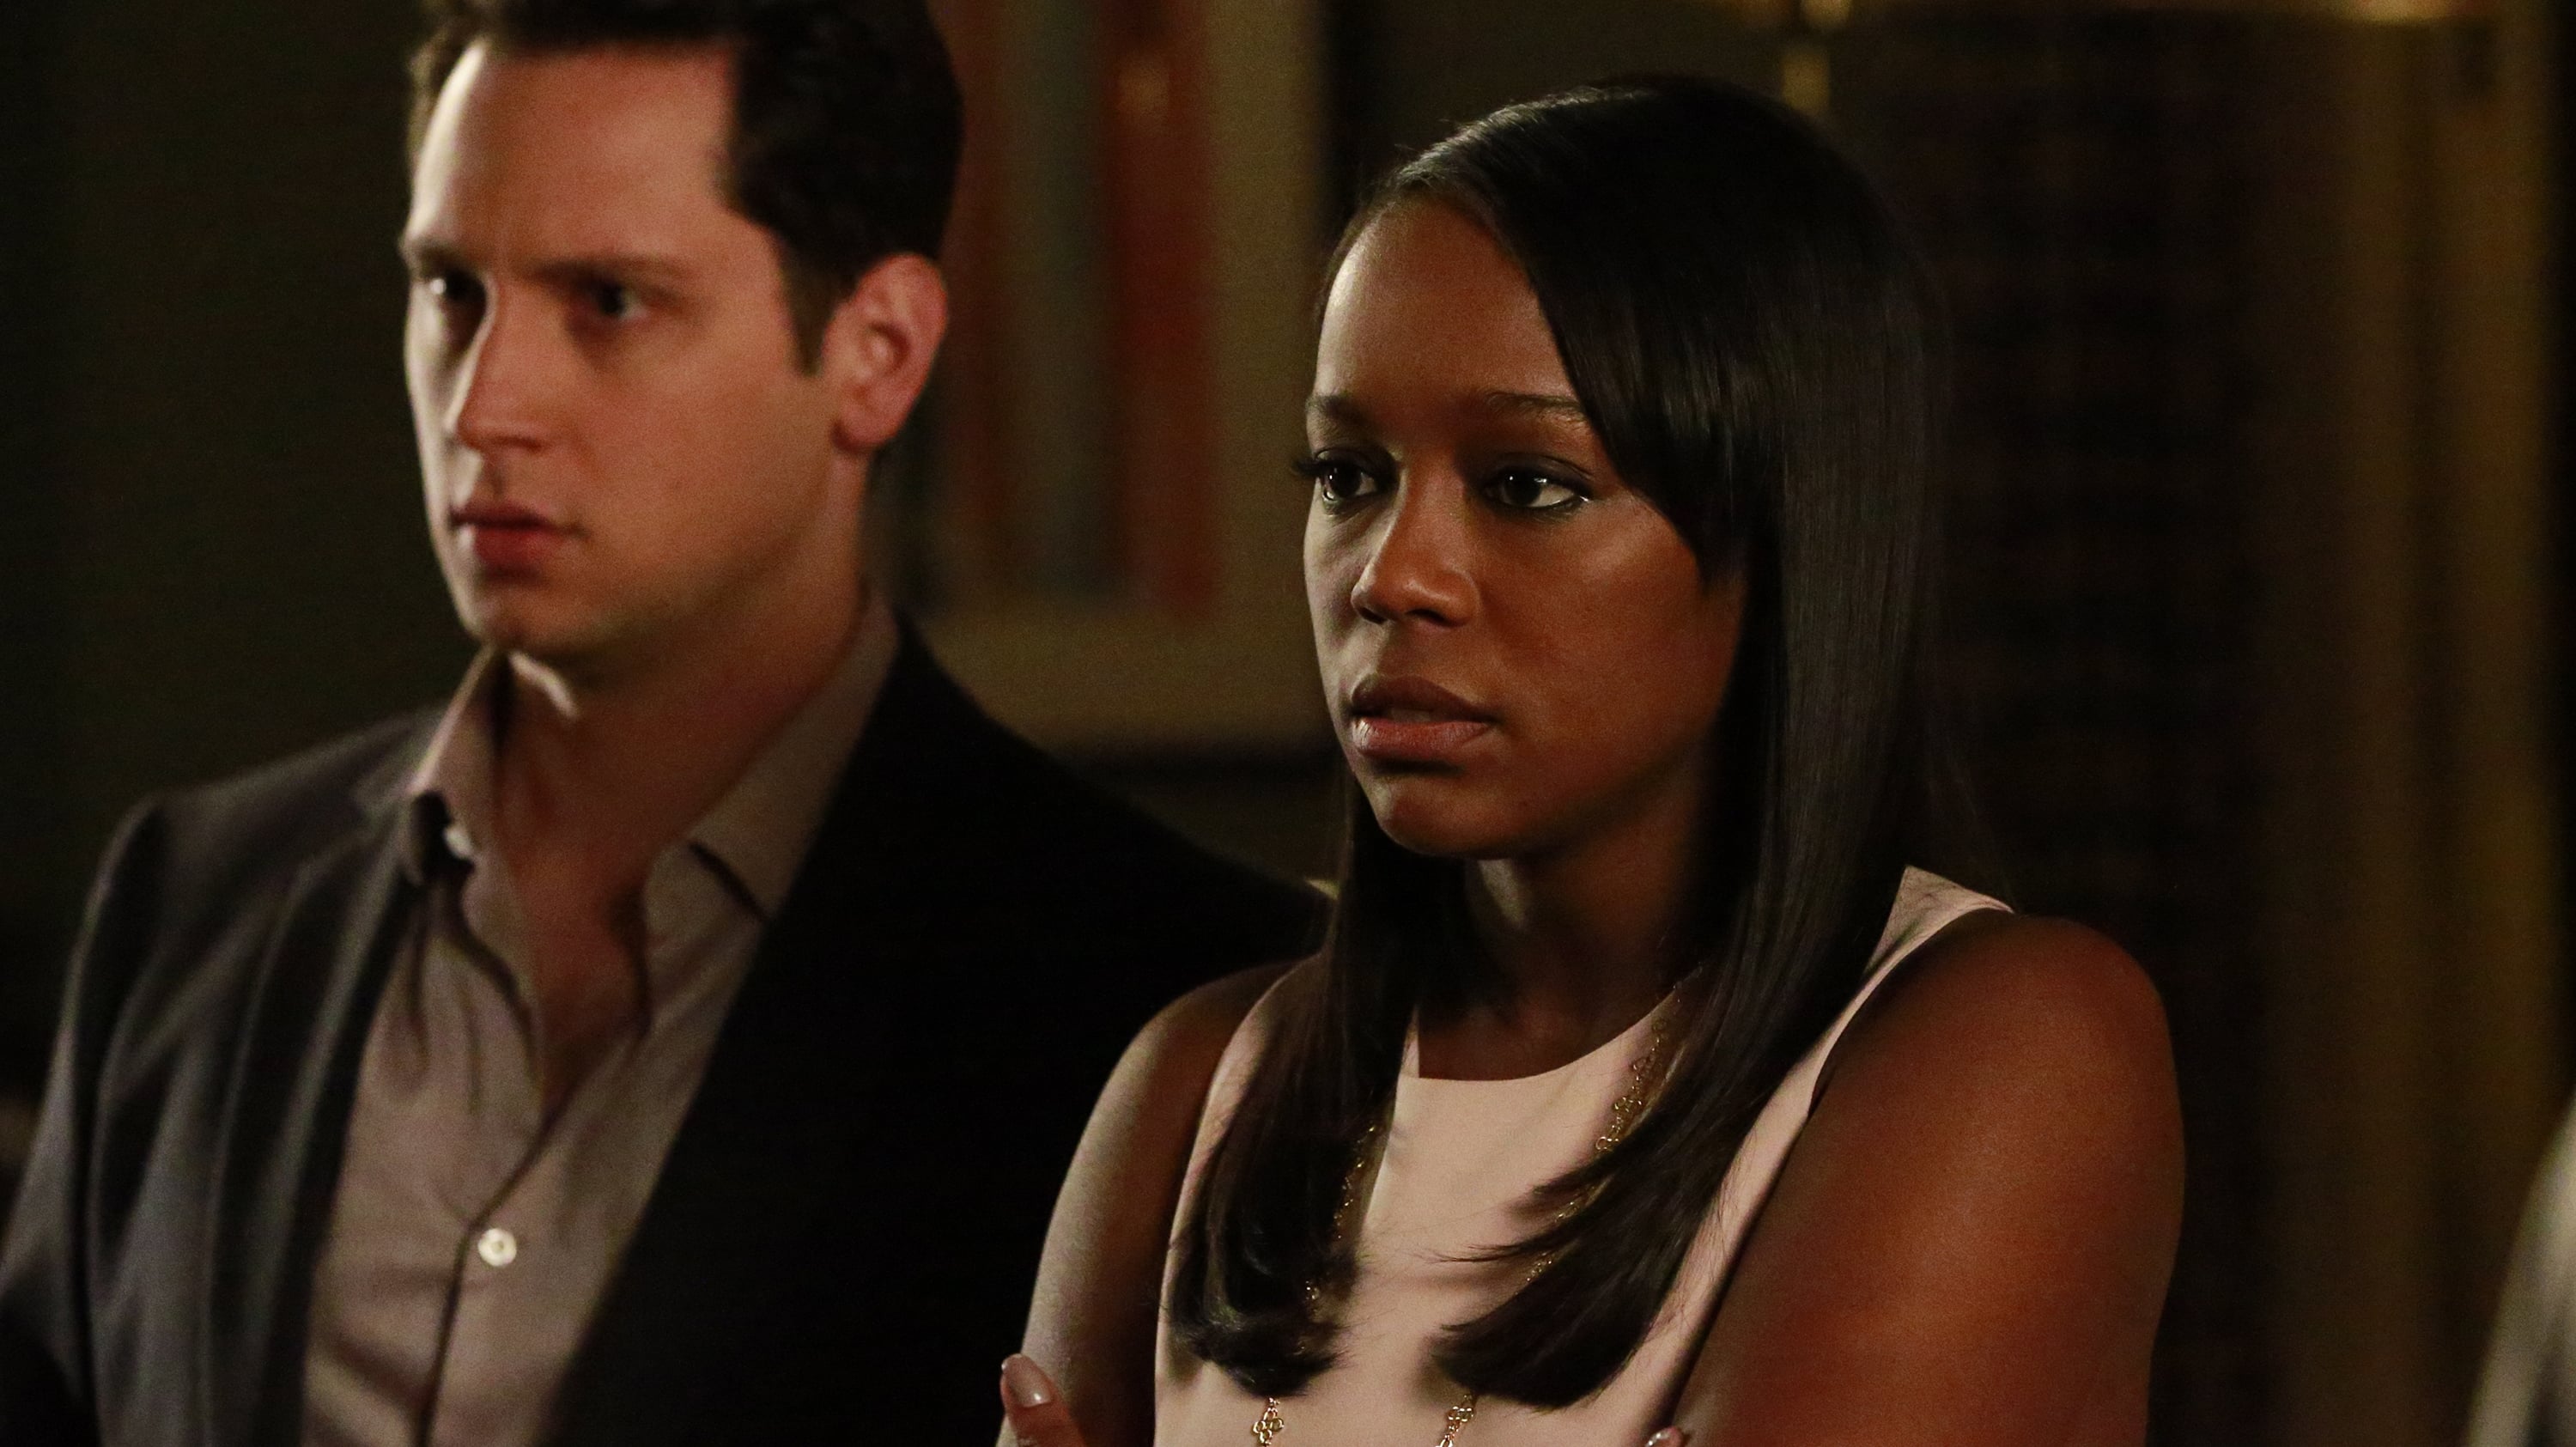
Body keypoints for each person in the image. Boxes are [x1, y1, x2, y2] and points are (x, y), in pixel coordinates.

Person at [0, 2, 1321, 1444]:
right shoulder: (195, 904)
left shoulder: (1168, 999)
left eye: (610, 302)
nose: (486, 407)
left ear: (877, 351)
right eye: (452, 291)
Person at [994, 76, 2183, 1447]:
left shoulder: (1999, 1042)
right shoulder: (1202, 1084)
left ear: (1783, 530)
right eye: (1348, 474)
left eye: (1527, 485)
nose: (1391, 574)